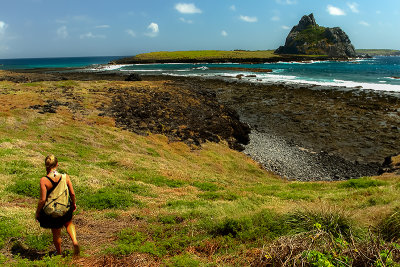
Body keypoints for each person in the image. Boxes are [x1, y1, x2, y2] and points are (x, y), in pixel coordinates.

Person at [35, 155, 80, 256]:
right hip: (65, 207)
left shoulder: (44, 180)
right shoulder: (65, 177)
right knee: (69, 223)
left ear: (46, 166)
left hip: (53, 211)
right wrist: (73, 203)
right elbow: (72, 193)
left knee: (56, 233)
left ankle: (59, 253)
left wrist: (37, 212)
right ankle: (75, 242)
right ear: (57, 164)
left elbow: (42, 200)